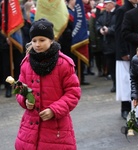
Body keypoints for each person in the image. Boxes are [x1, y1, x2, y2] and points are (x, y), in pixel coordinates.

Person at [15, 18, 81, 150]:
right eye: (34, 41)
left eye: (42, 40)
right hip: (30, 127)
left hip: (56, 128)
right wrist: (24, 99)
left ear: (51, 40)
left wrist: (54, 109)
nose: (37, 44)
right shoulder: (26, 63)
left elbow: (73, 93)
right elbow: (19, 88)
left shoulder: (64, 64)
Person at [115, 0, 138, 119]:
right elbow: (119, 33)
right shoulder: (122, 10)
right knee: (125, 82)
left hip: (136, 50)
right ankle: (125, 108)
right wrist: (123, 52)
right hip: (125, 52)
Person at [96, 0, 119, 92]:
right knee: (111, 66)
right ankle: (114, 84)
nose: (105, 6)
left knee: (118, 67)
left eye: (107, 4)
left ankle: (118, 84)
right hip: (107, 45)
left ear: (112, 4)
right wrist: (100, 30)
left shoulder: (118, 13)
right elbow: (98, 24)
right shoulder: (103, 14)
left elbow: (118, 27)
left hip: (116, 44)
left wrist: (109, 30)